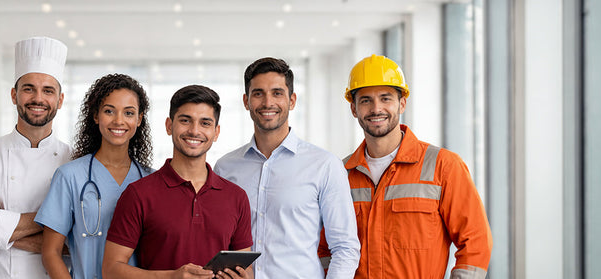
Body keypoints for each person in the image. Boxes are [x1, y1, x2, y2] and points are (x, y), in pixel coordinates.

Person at [318, 54, 492, 278]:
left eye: (385, 98)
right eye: (365, 100)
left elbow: (475, 242)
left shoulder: (443, 166)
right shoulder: (340, 173)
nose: (376, 108)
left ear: (402, 103)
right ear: (354, 109)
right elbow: (325, 248)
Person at [215, 57, 360, 279]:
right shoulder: (225, 168)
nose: (267, 103)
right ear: (246, 101)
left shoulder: (324, 165)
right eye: (258, 93)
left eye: (277, 93)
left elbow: (345, 248)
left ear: (292, 100)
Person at [102, 85, 254, 279]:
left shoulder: (236, 197)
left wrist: (245, 277)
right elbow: (111, 270)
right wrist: (171, 277)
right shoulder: (138, 194)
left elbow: (246, 268)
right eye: (185, 120)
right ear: (169, 125)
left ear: (216, 133)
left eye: (205, 123)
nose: (194, 131)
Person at [0, 36, 71, 278]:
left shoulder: (75, 161)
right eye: (28, 88)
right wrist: (54, 220)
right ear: (13, 95)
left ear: (59, 100)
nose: (38, 99)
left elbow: (78, 245)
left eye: (48, 90)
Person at [34, 73, 155, 279]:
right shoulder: (70, 176)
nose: (119, 121)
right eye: (109, 111)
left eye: (128, 113)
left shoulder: (151, 180)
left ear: (139, 119)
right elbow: (51, 252)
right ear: (96, 115)